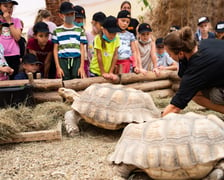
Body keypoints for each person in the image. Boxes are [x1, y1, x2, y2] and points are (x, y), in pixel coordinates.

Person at [162, 26, 224, 116]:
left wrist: (158, 121)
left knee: (195, 94)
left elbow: (175, 106)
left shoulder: (197, 66)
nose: (170, 57)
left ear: (181, 53)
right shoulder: (204, 43)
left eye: (170, 54)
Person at [52, 1, 87, 80]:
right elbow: (55, 50)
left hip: (76, 59)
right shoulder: (57, 31)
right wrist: (58, 67)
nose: (70, 16)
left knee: (77, 80)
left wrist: (81, 67)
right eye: (67, 14)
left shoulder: (79, 31)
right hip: (63, 60)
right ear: (61, 15)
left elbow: (82, 49)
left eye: (72, 14)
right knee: (64, 81)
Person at [89, 16, 121, 81]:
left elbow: (115, 56)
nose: (112, 35)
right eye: (110, 33)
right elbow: (99, 56)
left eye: (114, 33)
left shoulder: (117, 38)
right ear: (103, 29)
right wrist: (103, 72)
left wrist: (111, 72)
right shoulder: (98, 39)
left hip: (108, 71)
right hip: (96, 71)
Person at [0, 0, 22, 79]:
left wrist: (9, 21)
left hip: (13, 54)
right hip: (1, 56)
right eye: (6, 6)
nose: (9, 9)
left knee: (13, 78)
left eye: (11, 7)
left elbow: (17, 37)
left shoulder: (16, 21)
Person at [85, 11, 106, 76]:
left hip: (102, 69)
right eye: (99, 25)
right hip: (91, 70)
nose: (101, 27)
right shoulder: (87, 35)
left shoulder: (104, 36)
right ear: (93, 23)